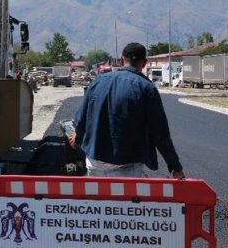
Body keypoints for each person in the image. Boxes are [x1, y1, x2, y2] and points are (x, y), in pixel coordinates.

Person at [69, 42, 185, 179]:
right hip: (128, 165)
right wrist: (175, 167)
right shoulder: (146, 88)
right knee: (127, 199)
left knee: (99, 198)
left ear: (122, 59)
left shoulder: (98, 82)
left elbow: (82, 119)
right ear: (144, 63)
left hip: (95, 162)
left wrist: (77, 139)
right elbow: (160, 133)